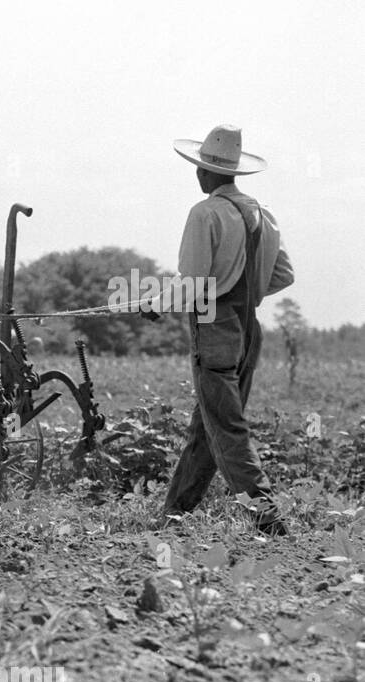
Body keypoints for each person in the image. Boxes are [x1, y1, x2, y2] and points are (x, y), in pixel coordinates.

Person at [147, 124, 295, 536]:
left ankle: (267, 518)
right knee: (209, 423)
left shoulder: (205, 213)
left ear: (208, 173)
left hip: (215, 329)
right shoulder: (262, 215)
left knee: (226, 427)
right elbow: (283, 275)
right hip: (250, 330)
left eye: (199, 169)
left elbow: (192, 281)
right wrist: (242, 285)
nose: (197, 175)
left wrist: (157, 306)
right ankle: (176, 513)